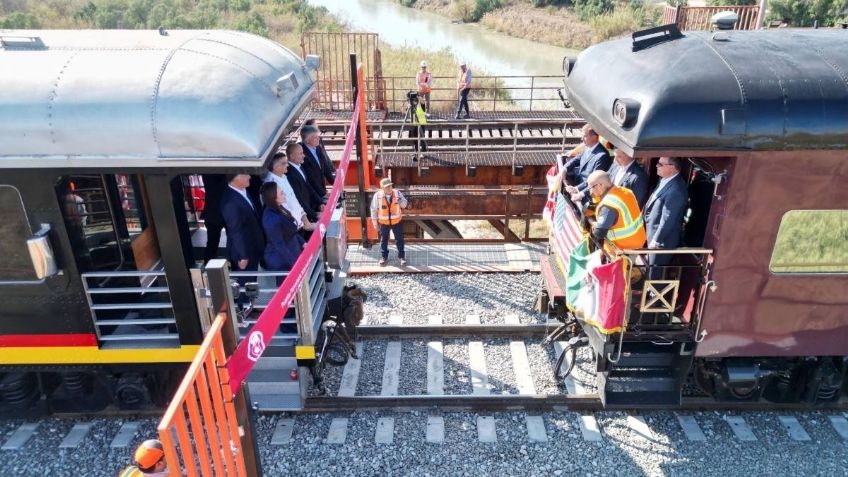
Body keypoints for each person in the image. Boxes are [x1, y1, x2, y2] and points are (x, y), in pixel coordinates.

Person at [644, 157, 688, 277]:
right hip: (650, 234)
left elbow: (668, 219)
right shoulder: (664, 180)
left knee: (655, 276)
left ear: (672, 168)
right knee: (649, 271)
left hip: (661, 242)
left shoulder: (676, 190)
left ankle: (654, 296)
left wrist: (656, 241)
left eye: (661, 164)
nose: (657, 166)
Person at [585, 170, 646, 252]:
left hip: (621, 250)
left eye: (590, 187)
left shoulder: (609, 205)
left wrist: (594, 224)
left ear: (600, 185)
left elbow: (599, 233)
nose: (590, 191)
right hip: (636, 241)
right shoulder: (625, 191)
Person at [260, 181, 306, 285]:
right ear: (273, 197)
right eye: (281, 193)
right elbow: (279, 245)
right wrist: (295, 265)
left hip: (291, 254)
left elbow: (291, 232)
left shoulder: (279, 207)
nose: (284, 194)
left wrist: (302, 242)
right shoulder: (271, 218)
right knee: (288, 289)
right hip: (282, 261)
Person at [570, 148, 648, 208]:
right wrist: (581, 193)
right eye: (615, 156)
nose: (615, 160)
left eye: (619, 157)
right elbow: (601, 180)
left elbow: (636, 204)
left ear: (630, 156)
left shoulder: (640, 176)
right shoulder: (615, 165)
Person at [220, 174, 265, 276]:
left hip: (253, 248)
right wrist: (243, 256)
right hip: (244, 254)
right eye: (245, 175)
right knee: (246, 286)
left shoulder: (242, 191)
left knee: (252, 281)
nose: (249, 176)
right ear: (236, 178)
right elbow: (236, 231)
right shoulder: (230, 202)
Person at [264, 151, 316, 235]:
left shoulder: (283, 177)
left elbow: (294, 200)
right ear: (275, 167)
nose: (287, 165)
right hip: (291, 228)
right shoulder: (271, 184)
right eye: (284, 163)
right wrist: (303, 223)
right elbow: (283, 208)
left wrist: (304, 218)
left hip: (299, 224)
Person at [563, 124, 612, 194]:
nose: (581, 139)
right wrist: (565, 169)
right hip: (577, 181)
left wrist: (576, 188)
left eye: (585, 136)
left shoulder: (602, 156)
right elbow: (577, 159)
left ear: (594, 137)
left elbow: (595, 180)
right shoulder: (587, 147)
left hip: (586, 192)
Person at [370, 178, 408, 266]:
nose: (389, 188)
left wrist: (400, 201)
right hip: (384, 223)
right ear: (382, 188)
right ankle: (384, 257)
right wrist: (375, 224)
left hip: (397, 222)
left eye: (390, 186)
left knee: (399, 240)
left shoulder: (397, 193)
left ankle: (402, 257)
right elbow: (373, 210)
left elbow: (405, 205)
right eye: (387, 187)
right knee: (383, 240)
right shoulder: (377, 196)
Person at [285, 142, 324, 222]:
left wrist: (320, 203)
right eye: (301, 153)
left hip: (310, 209)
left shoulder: (300, 167)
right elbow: (299, 199)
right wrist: (314, 214)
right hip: (305, 216)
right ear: (292, 156)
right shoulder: (290, 174)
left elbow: (308, 187)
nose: (304, 155)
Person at [300, 125, 335, 202]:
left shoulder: (318, 148)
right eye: (315, 137)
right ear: (307, 140)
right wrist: (323, 194)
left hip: (321, 188)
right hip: (312, 194)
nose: (319, 139)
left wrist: (335, 183)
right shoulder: (301, 153)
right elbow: (310, 178)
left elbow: (325, 167)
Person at [200, 174, 227, 264]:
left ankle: (208, 265)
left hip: (212, 212)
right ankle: (208, 265)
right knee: (213, 243)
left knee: (212, 242)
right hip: (216, 212)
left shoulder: (207, 172)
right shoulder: (219, 176)